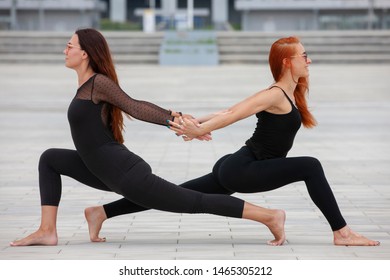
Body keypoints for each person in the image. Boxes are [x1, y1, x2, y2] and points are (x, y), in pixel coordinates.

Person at [82, 36, 379, 246]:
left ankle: (102, 212)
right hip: (243, 169)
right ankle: (341, 232)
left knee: (170, 194)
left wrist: (198, 122)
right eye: (304, 55)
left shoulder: (288, 93)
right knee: (311, 166)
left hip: (238, 166)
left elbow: (227, 111)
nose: (309, 59)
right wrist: (198, 131)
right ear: (288, 62)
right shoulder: (274, 93)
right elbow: (235, 114)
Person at [10, 28, 287, 247]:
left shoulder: (98, 83)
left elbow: (134, 106)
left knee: (193, 202)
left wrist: (174, 118)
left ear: (85, 54)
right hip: (100, 168)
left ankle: (270, 216)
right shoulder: (85, 85)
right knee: (50, 159)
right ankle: (51, 229)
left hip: (122, 171)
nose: (65, 50)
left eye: (70, 46)